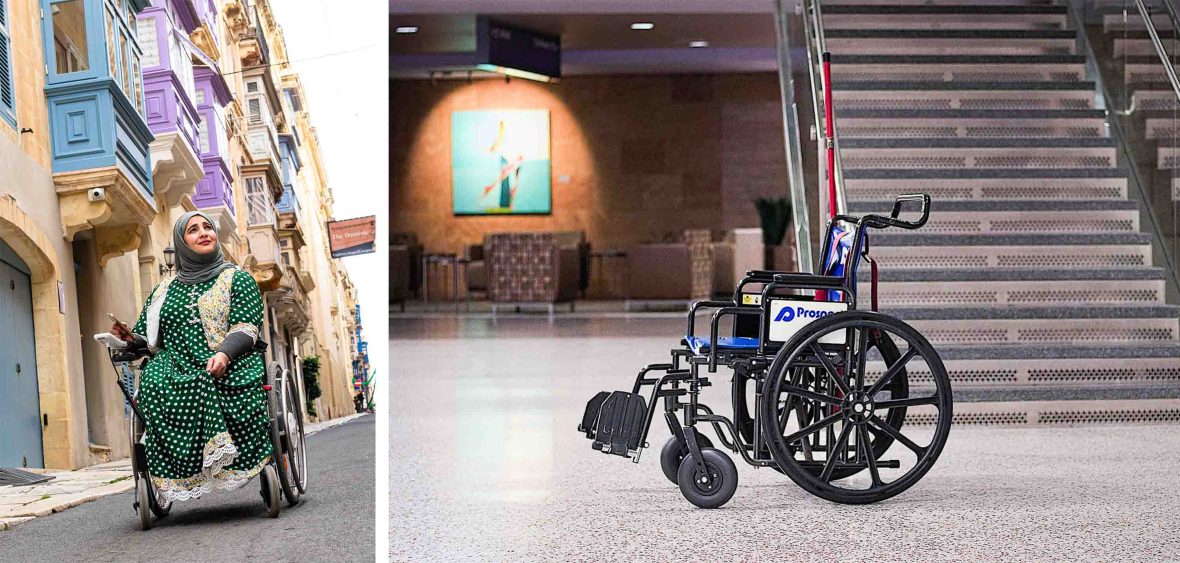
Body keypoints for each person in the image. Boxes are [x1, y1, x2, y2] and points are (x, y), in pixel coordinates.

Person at [111, 211, 272, 503]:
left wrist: (224, 354)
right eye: (193, 229)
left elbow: (246, 327)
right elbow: (148, 338)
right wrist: (130, 338)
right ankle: (176, 470)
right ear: (182, 242)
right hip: (176, 368)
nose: (204, 233)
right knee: (152, 381)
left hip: (231, 362)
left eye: (208, 227)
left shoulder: (237, 278)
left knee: (228, 384)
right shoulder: (163, 290)